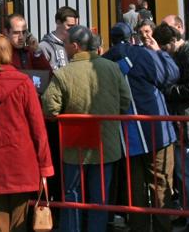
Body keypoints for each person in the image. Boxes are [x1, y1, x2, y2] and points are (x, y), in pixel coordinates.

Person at [42, 25, 132, 232]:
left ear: (75, 46)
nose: (63, 46)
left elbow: (50, 107)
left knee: (72, 193)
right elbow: (125, 100)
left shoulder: (64, 74)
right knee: (99, 196)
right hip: (106, 143)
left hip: (75, 143)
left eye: (65, 43)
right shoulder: (112, 68)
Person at [0, 34, 54, 232]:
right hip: (21, 159)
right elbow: (38, 127)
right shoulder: (23, 82)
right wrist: (45, 165)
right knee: (19, 221)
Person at [102, 23, 179, 232]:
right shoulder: (144, 54)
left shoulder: (104, 61)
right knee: (161, 184)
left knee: (134, 188)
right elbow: (170, 75)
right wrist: (160, 53)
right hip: (155, 130)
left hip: (126, 135)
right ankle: (163, 228)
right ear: (133, 37)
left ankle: (139, 227)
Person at [155, 23, 189, 232]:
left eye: (165, 47)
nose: (164, 51)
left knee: (188, 173)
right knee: (182, 173)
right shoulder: (183, 54)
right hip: (183, 121)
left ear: (172, 40)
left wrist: (168, 90)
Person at [37, 6, 79, 70]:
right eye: (70, 25)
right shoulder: (44, 46)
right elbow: (41, 74)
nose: (74, 29)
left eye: (76, 26)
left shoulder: (76, 44)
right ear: (58, 22)